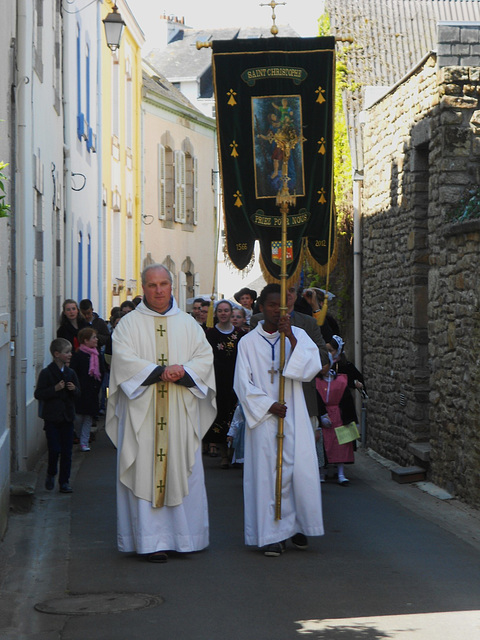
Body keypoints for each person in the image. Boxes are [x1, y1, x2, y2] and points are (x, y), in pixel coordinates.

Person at [106, 264, 216, 564]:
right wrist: (158, 372)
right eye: (152, 285)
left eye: (164, 284)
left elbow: (204, 358)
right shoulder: (128, 325)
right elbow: (123, 362)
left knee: (184, 469)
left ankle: (185, 539)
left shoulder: (188, 324)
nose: (159, 290)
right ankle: (150, 541)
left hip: (180, 412)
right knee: (143, 469)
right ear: (143, 287)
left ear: (172, 286)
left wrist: (185, 371)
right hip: (143, 413)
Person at [233, 283, 324, 557]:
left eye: (281, 306)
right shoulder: (248, 342)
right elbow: (242, 383)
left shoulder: (297, 335)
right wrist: (267, 404)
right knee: (268, 475)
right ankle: (272, 534)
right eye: (272, 305)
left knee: (296, 471)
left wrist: (292, 340)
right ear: (262, 307)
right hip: (264, 418)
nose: (276, 310)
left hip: (293, 410)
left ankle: (295, 525)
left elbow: (311, 368)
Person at [251, 283, 330, 444]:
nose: (287, 294)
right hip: (268, 397)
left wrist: (294, 341)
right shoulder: (258, 321)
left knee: (302, 452)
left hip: (302, 396)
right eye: (283, 290)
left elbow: (322, 358)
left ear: (297, 295)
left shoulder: (308, 323)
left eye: (292, 290)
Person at [315, 335, 365, 485]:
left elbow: (347, 395)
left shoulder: (343, 371)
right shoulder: (316, 380)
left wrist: (352, 420)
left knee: (340, 443)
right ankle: (323, 471)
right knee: (325, 443)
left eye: (332, 350)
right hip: (325, 413)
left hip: (339, 413)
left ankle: (340, 472)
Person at [34, 338, 80, 493]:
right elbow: (39, 393)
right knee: (54, 449)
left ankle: (64, 482)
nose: (70, 355)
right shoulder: (47, 373)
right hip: (52, 418)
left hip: (67, 417)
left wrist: (73, 389)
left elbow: (78, 393)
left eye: (70, 352)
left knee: (67, 452)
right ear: (57, 354)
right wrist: (54, 389)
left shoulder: (70, 373)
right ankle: (51, 472)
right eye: (66, 352)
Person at [205, 300, 246, 468]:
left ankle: (234, 453)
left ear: (231, 313)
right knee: (220, 415)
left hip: (236, 377)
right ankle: (223, 454)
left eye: (226, 310)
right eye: (220, 311)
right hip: (216, 379)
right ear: (216, 313)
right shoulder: (210, 334)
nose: (223, 313)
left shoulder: (241, 335)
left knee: (235, 413)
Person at [70, 328, 104, 452]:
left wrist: (98, 385)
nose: (96, 339)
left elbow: (101, 371)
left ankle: (84, 442)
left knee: (88, 418)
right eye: (93, 337)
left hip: (92, 391)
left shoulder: (97, 354)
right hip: (80, 391)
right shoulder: (78, 355)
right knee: (78, 417)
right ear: (85, 340)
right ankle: (80, 436)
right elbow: (73, 372)